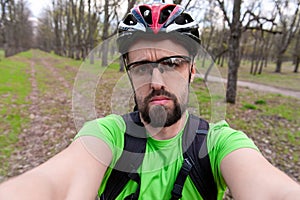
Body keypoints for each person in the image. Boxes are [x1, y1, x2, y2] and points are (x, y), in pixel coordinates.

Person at [1, 2, 300, 200]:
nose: (156, 80)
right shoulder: (109, 136)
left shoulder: (218, 143)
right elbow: (55, 184)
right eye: (142, 67)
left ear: (192, 70)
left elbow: (271, 190)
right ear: (129, 74)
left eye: (172, 63)